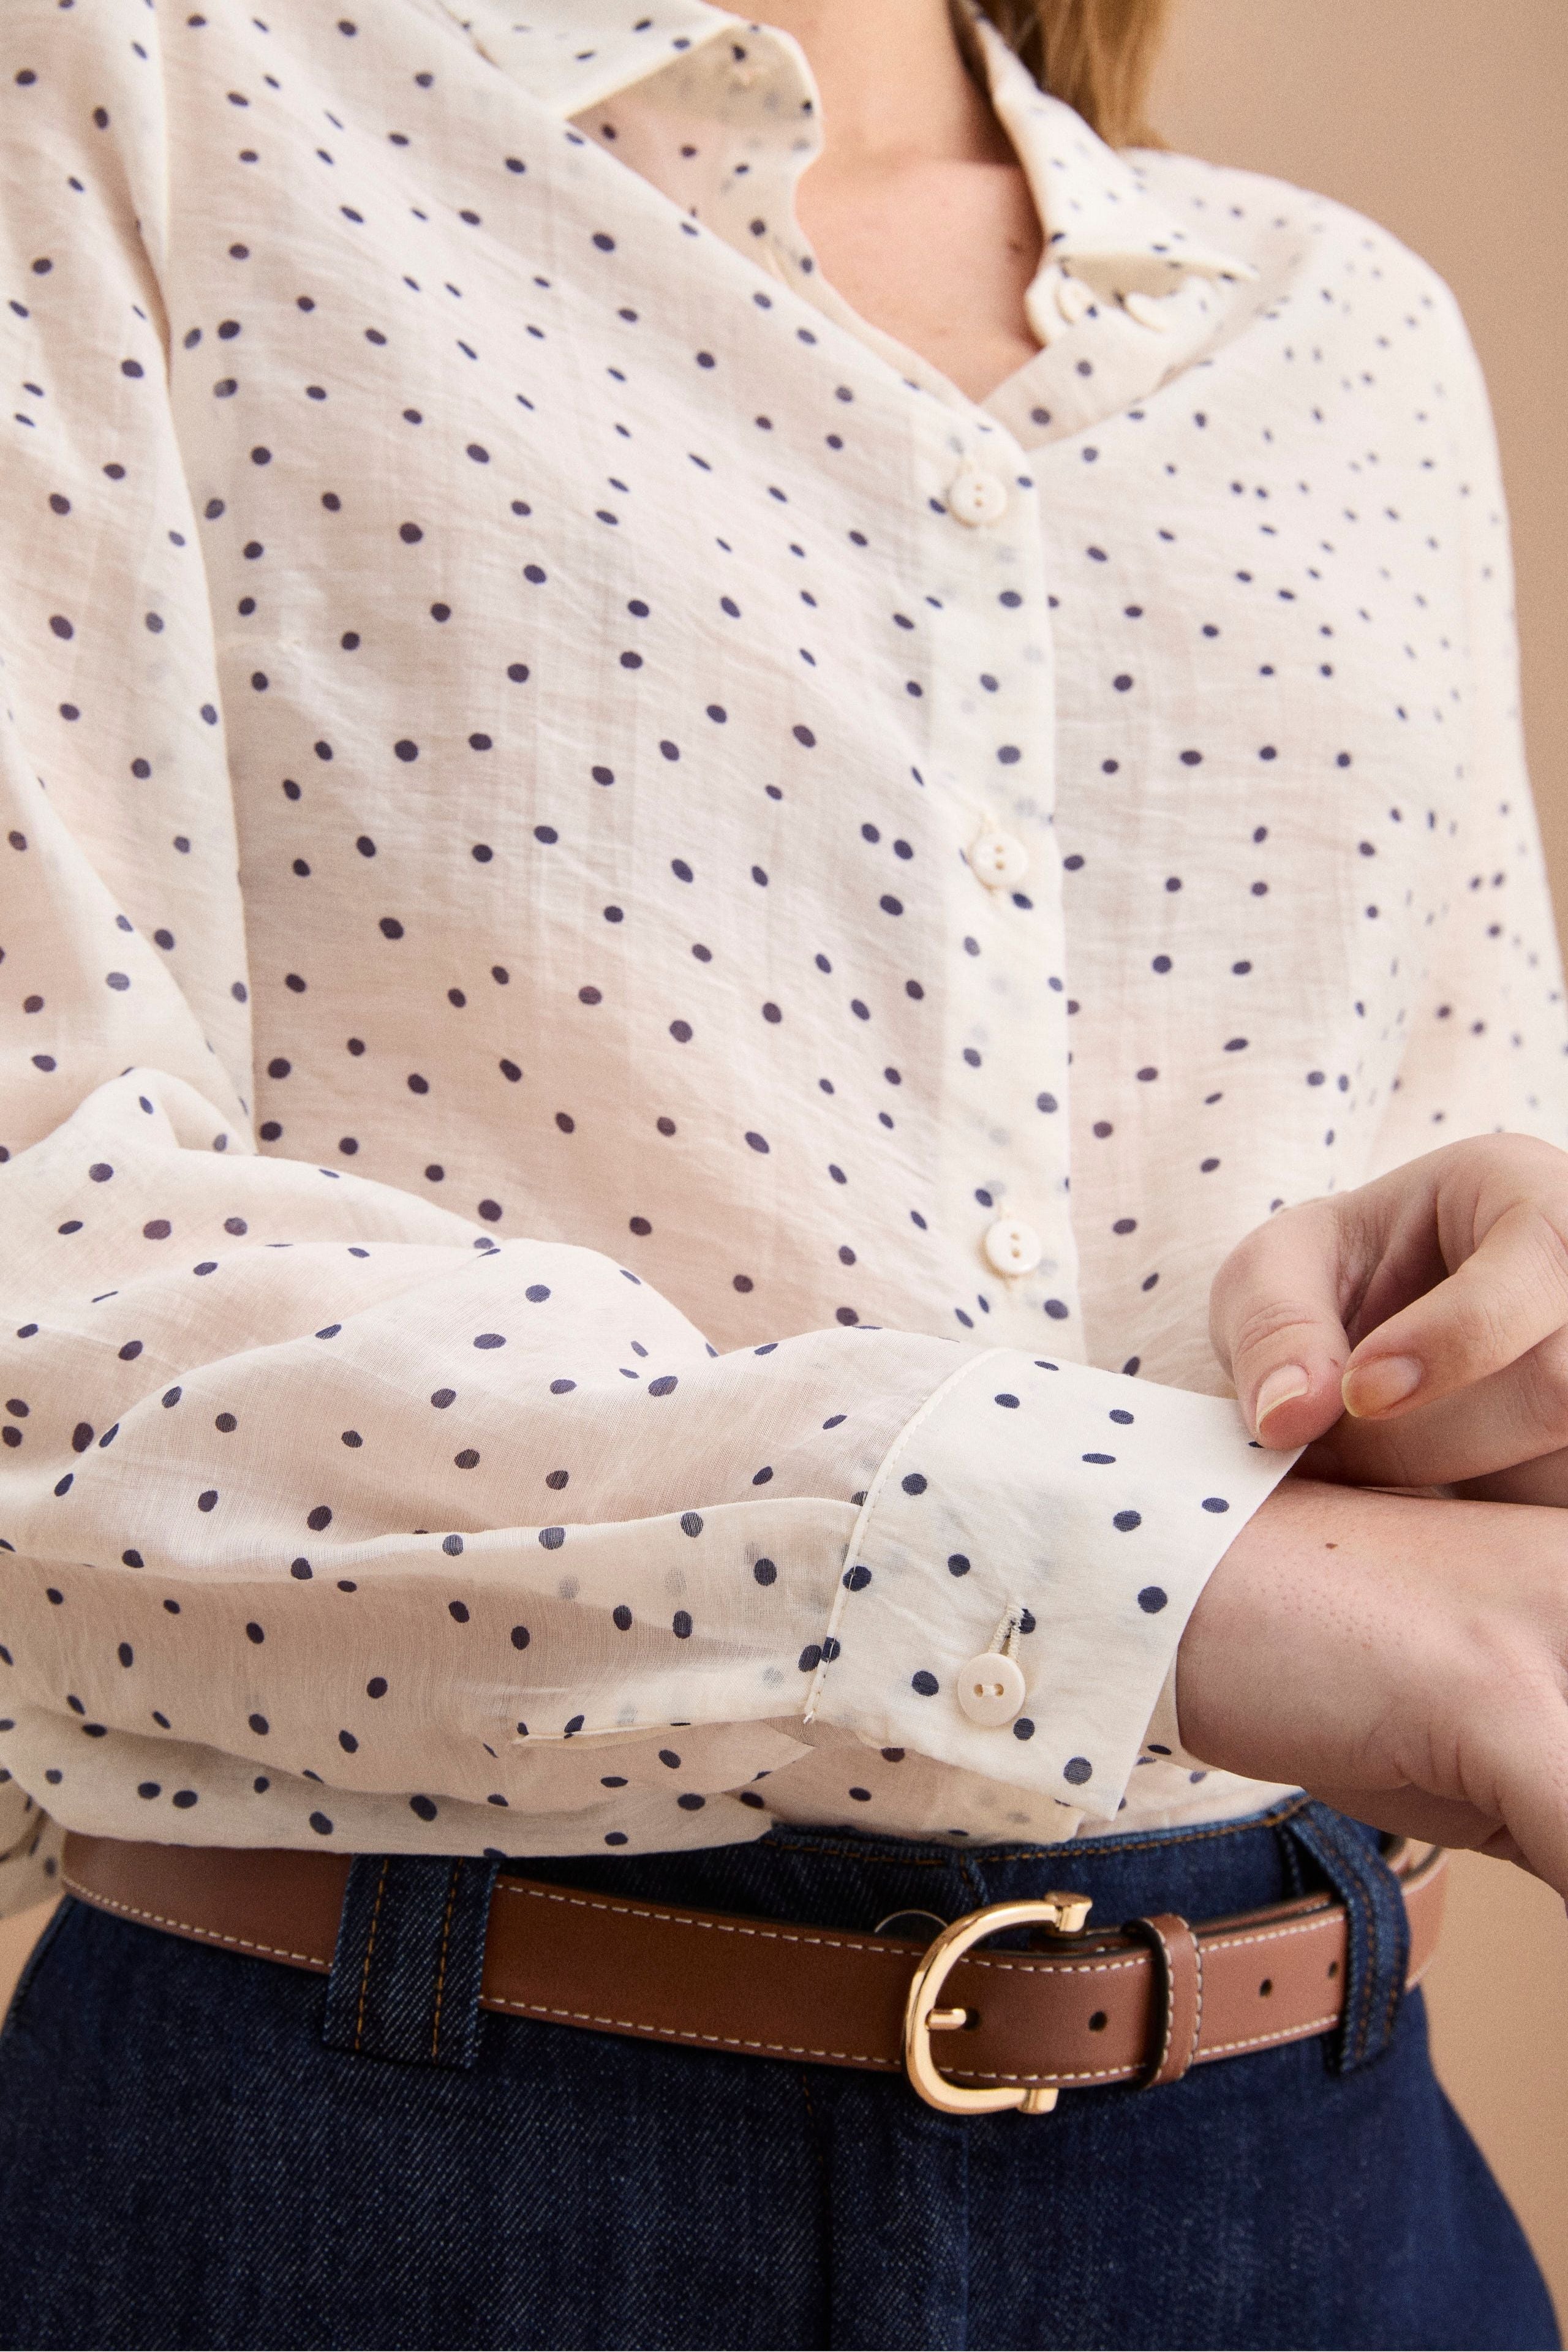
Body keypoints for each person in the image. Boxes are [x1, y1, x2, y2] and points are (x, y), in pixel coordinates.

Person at [0, 0, 1564, 2343]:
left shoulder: (1340, 335)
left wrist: (1473, 1391)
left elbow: (1459, 1226)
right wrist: (1187, 1573)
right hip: (398, 2182)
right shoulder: (134, 94)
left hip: (1318, 2168)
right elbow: (42, 1258)